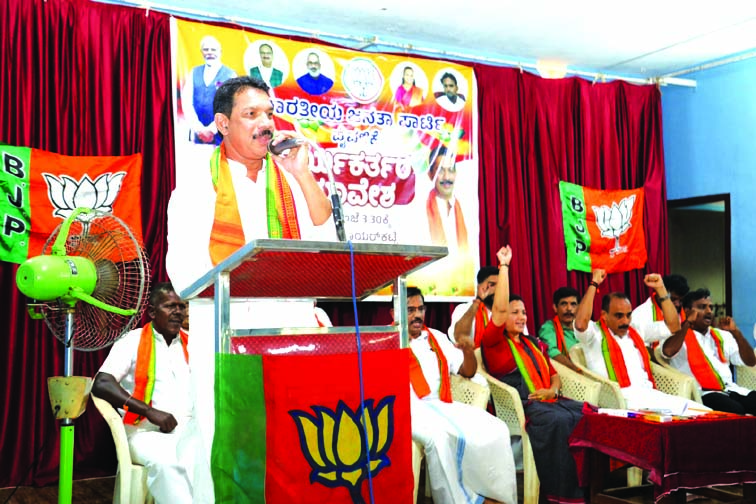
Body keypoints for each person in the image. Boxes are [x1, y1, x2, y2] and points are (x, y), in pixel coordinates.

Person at [166, 76, 333, 294]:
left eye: (269, 114)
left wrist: (302, 173)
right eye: (251, 114)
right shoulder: (197, 187)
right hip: (224, 310)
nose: (266, 124)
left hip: (291, 310)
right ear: (223, 123)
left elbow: (328, 244)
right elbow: (185, 275)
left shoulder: (292, 178)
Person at [481, 246, 586, 503]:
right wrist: (504, 266)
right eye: (514, 312)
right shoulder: (495, 343)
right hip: (525, 406)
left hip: (550, 400)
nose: (521, 317)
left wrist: (552, 390)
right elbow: (499, 310)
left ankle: (590, 486)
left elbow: (554, 374)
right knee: (559, 422)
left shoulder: (533, 343)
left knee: (588, 413)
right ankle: (561, 495)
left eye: (524, 312)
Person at [404, 286, 517, 504]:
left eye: (420, 309)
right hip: (409, 410)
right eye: (410, 310)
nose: (417, 315)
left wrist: (467, 351)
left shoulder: (435, 337)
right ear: (395, 312)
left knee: (496, 428)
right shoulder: (386, 340)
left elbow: (468, 371)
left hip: (442, 405)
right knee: (438, 438)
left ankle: (497, 496)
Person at [92, 283, 200, 504]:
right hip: (144, 433)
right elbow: (102, 383)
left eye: (181, 306)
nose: (178, 312)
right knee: (170, 464)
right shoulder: (132, 341)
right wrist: (149, 412)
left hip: (189, 431)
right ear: (152, 312)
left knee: (216, 459)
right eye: (170, 306)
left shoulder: (194, 342)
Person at [574, 269, 707, 414]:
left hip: (649, 396)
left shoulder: (636, 330)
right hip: (620, 400)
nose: (625, 321)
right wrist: (594, 284)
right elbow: (580, 324)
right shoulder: (593, 334)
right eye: (619, 316)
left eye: (628, 315)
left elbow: (674, 326)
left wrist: (661, 289)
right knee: (684, 417)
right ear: (604, 315)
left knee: (703, 412)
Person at [660, 288, 756, 414]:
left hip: (731, 389)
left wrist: (736, 333)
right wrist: (687, 323)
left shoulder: (722, 335)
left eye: (710, 307)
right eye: (702, 307)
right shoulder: (679, 337)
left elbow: (750, 361)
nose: (709, 311)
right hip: (703, 393)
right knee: (735, 410)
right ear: (687, 311)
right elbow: (668, 351)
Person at [181, 35, 237, 145]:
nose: (210, 53)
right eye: (206, 49)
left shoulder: (230, 75)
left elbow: (231, 105)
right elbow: (186, 101)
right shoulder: (194, 72)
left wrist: (212, 130)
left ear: (220, 52)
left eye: (213, 49)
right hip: (197, 134)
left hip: (222, 133)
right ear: (201, 52)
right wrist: (199, 129)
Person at [426, 144, 468, 253]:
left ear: (456, 173)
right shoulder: (420, 211)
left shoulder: (467, 209)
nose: (446, 177)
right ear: (430, 174)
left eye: (450, 170)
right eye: (440, 171)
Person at [447, 265, 498, 346]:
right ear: (480, 287)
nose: (497, 289)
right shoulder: (464, 309)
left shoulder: (509, 311)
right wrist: (477, 302)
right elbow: (459, 337)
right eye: (492, 285)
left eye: (500, 285)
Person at [538, 286, 584, 373]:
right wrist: (576, 370)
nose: (569, 309)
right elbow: (551, 351)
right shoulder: (549, 328)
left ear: (578, 308)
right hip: (569, 375)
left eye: (573, 304)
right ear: (555, 308)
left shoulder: (584, 327)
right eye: (564, 304)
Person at [632, 274, 689, 341]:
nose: (677, 304)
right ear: (660, 294)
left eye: (681, 301)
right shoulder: (640, 315)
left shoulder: (685, 312)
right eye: (673, 299)